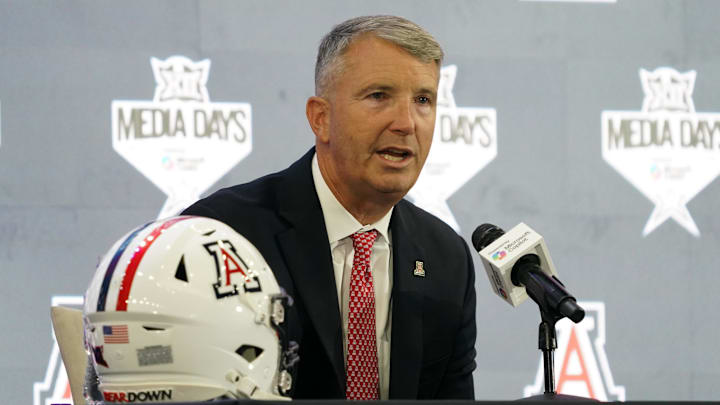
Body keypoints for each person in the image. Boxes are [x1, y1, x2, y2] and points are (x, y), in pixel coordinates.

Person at [182, 15, 477, 400]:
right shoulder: (221, 236)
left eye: (423, 100)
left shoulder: (446, 258)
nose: (406, 123)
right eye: (379, 96)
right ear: (321, 118)